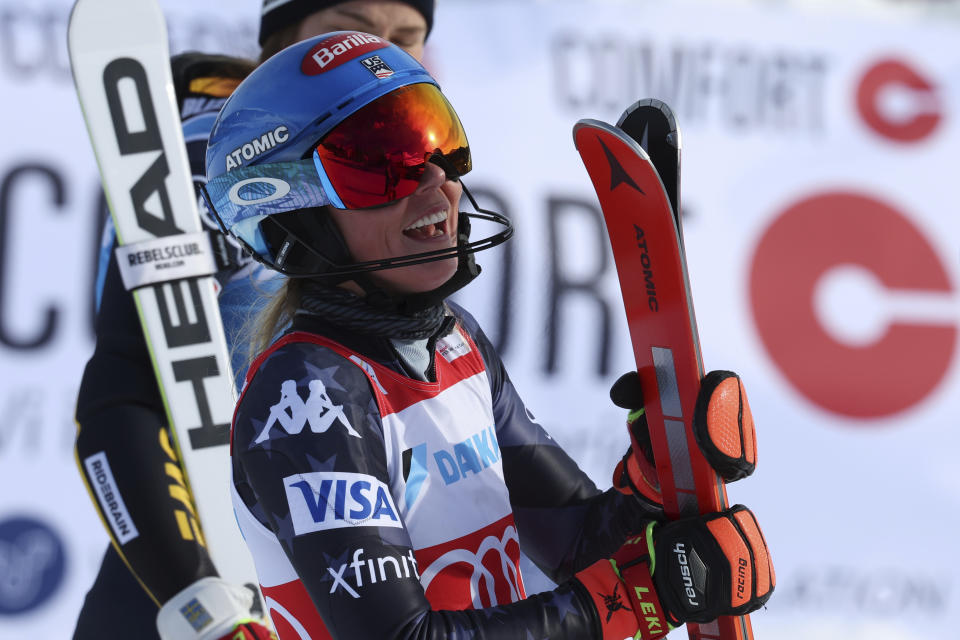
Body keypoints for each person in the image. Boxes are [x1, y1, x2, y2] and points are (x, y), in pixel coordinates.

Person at [205, 32, 775, 639]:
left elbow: (572, 543)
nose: (436, 182)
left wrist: (651, 486)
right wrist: (636, 601)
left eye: (440, 144)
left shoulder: (455, 342)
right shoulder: (306, 400)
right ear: (300, 217)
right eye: (380, 167)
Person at [72, 3, 436, 640]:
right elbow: (122, 397)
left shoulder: (422, 175)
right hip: (201, 582)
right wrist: (204, 607)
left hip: (358, 582)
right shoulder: (218, 159)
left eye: (406, 38)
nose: (374, 57)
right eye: (344, 31)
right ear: (278, 41)